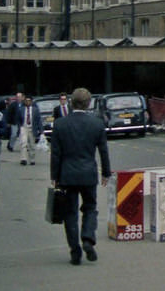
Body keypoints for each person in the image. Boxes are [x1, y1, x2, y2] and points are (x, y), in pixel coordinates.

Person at [50, 87, 111, 266]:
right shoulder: (97, 124)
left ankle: (75, 252)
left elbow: (55, 153)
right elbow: (103, 151)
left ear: (71, 102)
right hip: (88, 174)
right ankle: (88, 238)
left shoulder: (60, 124)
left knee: (70, 213)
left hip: (67, 174)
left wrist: (54, 175)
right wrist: (106, 172)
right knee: (90, 208)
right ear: (89, 103)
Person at [16, 95, 44, 165]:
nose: (28, 102)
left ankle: (32, 159)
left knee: (32, 145)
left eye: (29, 101)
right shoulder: (21, 109)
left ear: (31, 102)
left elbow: (39, 121)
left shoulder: (35, 110)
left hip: (32, 128)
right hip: (24, 127)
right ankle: (23, 159)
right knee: (24, 143)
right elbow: (18, 119)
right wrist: (20, 127)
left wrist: (41, 131)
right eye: (26, 101)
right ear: (24, 101)